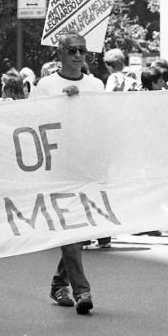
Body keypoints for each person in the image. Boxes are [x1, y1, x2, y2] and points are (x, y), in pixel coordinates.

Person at [30, 34, 103, 315]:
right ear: (60, 53)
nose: (77, 55)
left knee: (81, 231)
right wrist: (61, 104)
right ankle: (82, 290)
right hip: (57, 168)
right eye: (71, 50)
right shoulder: (47, 85)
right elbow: (30, 119)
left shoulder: (95, 85)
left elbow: (104, 118)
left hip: (86, 165)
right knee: (69, 228)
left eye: (82, 50)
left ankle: (59, 283)